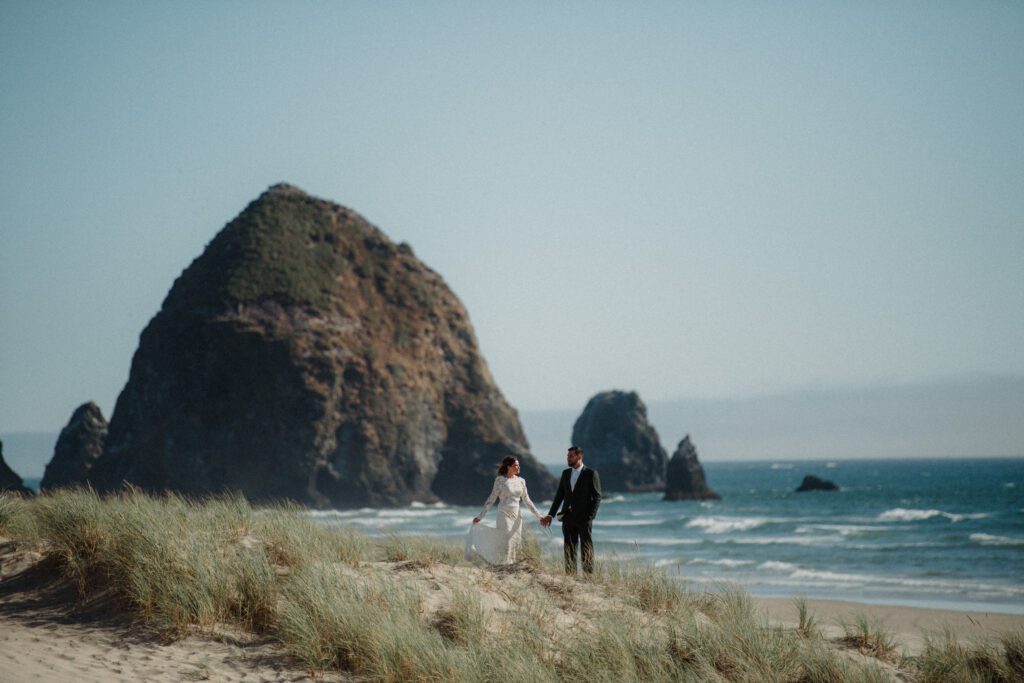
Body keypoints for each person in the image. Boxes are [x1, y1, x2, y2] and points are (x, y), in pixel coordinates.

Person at [467, 455, 543, 565]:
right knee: (506, 539)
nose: (518, 467)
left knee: (515, 541)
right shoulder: (500, 480)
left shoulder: (521, 481)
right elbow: (491, 499)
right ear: (509, 467)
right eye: (516, 465)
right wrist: (480, 516)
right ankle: (502, 564)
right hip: (504, 513)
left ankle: (511, 564)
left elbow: (527, 501)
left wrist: (539, 516)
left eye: (518, 465)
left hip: (517, 515)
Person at [541, 446, 601, 575]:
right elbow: (559, 496)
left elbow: (597, 497)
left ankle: (588, 577)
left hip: (584, 518)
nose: (568, 459)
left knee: (586, 547)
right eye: (567, 456)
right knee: (569, 548)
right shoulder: (566, 473)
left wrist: (590, 516)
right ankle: (570, 577)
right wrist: (550, 515)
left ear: (579, 457)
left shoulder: (590, 473)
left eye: (571, 456)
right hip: (568, 517)